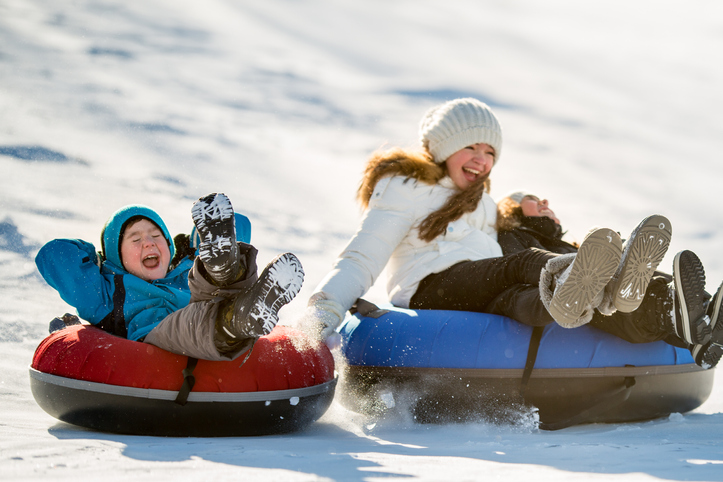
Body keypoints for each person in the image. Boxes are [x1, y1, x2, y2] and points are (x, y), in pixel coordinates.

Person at [301, 98, 672, 348]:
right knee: (523, 265)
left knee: (518, 298)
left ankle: (603, 291)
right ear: (444, 147)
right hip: (430, 286)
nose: (481, 160)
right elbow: (364, 254)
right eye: (472, 148)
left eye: (490, 152)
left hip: (478, 283)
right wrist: (325, 310)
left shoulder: (484, 202)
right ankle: (606, 287)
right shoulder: (407, 187)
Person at [35, 193, 305, 362]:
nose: (149, 243)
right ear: (116, 256)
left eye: (156, 236)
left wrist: (197, 247)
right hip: (158, 336)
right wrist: (97, 259)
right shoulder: (107, 292)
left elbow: (240, 223)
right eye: (135, 239)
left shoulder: (183, 271)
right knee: (189, 321)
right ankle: (243, 316)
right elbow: (53, 255)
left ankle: (223, 266)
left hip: (210, 303)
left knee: (208, 280)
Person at [496, 190, 722, 368]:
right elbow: (522, 270)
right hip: (570, 295)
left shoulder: (567, 243)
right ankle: (677, 315)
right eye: (532, 199)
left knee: (640, 279)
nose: (544, 200)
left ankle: (701, 313)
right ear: (511, 210)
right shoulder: (513, 236)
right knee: (607, 293)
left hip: (602, 286)